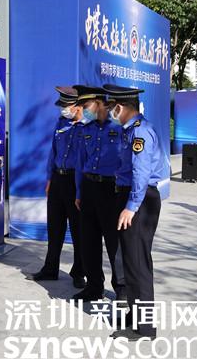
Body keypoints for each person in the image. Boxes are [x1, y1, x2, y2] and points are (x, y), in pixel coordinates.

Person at [104, 84, 164, 341]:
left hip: (140, 200)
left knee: (138, 263)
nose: (110, 111)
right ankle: (135, 314)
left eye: (112, 107)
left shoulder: (140, 132)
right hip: (131, 197)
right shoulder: (129, 130)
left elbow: (141, 174)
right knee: (130, 259)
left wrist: (131, 207)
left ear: (121, 107)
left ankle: (145, 328)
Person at [73, 85, 126, 302]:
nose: (83, 110)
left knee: (114, 242)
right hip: (89, 188)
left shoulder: (120, 128)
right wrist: (79, 192)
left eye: (86, 105)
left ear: (99, 103)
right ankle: (94, 286)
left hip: (111, 190)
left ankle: (122, 289)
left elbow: (128, 162)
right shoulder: (86, 129)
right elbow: (80, 162)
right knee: (89, 240)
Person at [29, 86, 85, 288]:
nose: (63, 109)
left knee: (78, 230)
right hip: (57, 179)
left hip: (75, 182)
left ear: (78, 106)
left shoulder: (87, 127)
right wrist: (49, 179)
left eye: (67, 106)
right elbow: (53, 152)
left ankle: (79, 272)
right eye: (62, 106)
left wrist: (80, 190)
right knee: (55, 227)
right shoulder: (61, 122)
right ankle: (50, 268)